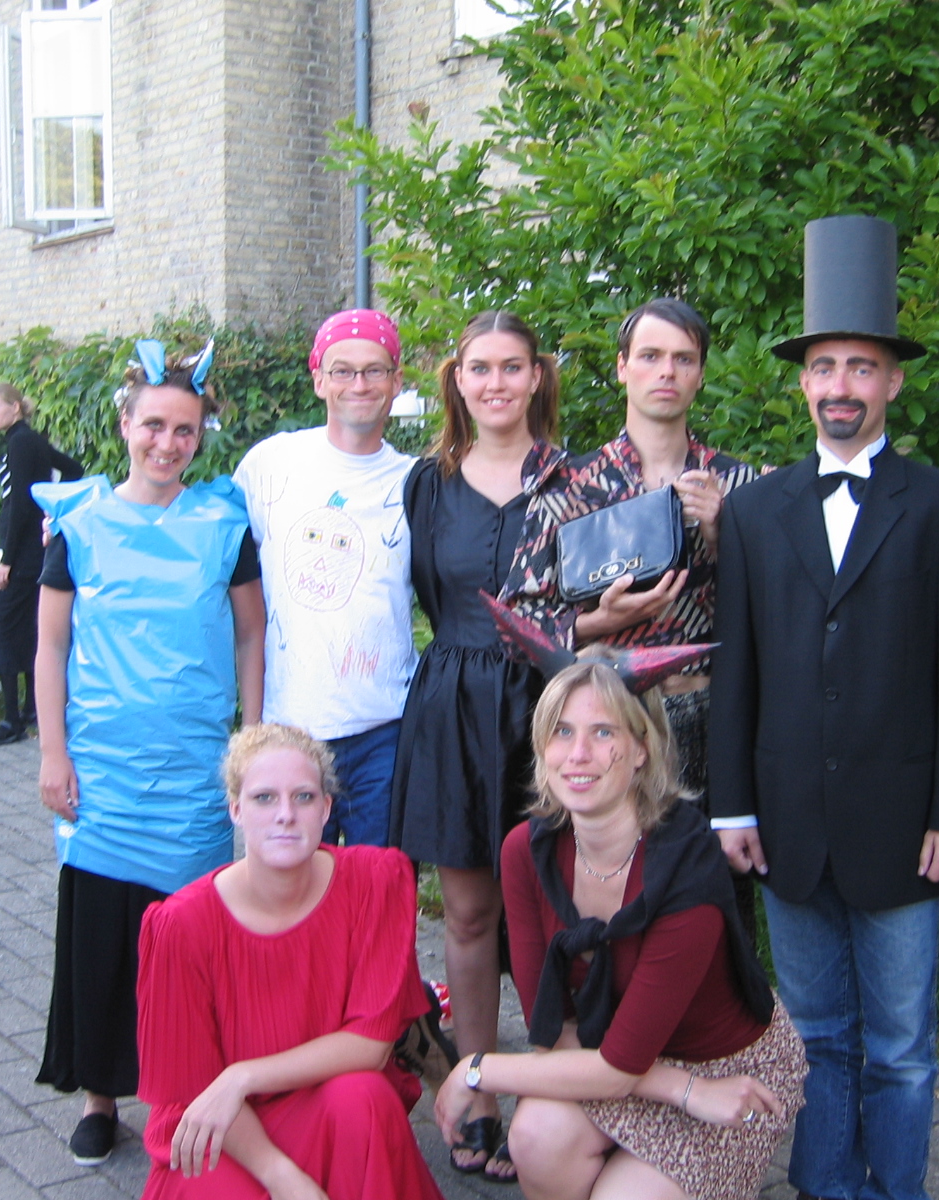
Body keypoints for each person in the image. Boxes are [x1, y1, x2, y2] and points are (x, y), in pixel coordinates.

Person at [708, 215, 939, 1200]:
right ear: (802, 383)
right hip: (787, 821)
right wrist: (731, 804)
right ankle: (826, 1187)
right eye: (825, 366)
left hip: (905, 825)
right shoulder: (755, 512)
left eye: (862, 368)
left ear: (893, 383)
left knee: (902, 1046)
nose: (841, 385)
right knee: (815, 1035)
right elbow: (738, 669)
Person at [434, 638, 807, 1200]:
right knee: (534, 1136)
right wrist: (677, 1087)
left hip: (722, 1075)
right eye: (562, 731)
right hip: (625, 1063)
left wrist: (476, 1069)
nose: (578, 753)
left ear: (642, 749)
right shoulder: (525, 852)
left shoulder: (686, 868)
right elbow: (551, 1030)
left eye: (603, 732)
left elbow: (617, 1068)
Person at [32, 340, 266, 1166]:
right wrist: (52, 752)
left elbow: (251, 634)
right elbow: (50, 644)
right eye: (154, 426)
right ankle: (100, 1094)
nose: (168, 444)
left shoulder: (223, 525)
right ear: (125, 425)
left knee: (187, 941)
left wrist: (253, 743)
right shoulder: (79, 524)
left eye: (185, 431)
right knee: (101, 940)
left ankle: (186, 1089)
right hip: (103, 774)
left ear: (201, 438)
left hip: (195, 773)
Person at [502, 297, 758, 933]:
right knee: (611, 900)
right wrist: (597, 622)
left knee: (714, 904)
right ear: (622, 368)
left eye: (683, 359)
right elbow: (514, 625)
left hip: (709, 715)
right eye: (650, 356)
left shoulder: (742, 486)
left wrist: (724, 535)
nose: (666, 371)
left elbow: (780, 616)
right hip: (608, 721)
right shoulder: (569, 488)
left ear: (700, 373)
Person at [387, 311, 566, 1180]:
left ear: (537, 377)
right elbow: (422, 593)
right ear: (458, 381)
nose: (496, 383)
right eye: (479, 368)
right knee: (467, 912)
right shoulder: (427, 483)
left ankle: (553, 1098)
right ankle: (478, 1089)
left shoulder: (573, 479)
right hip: (456, 704)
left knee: (552, 912)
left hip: (549, 708)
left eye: (512, 367)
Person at [136, 723, 445, 1200]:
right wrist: (282, 1177)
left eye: (303, 797)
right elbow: (197, 1089)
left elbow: (370, 1045)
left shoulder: (374, 882)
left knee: (363, 1097)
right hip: (224, 1128)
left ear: (326, 809)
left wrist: (242, 1076)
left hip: (324, 1099)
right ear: (236, 809)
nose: (285, 815)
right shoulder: (181, 925)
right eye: (264, 798)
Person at [233, 309, 417, 847]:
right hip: (287, 730)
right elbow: (210, 543)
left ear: (396, 381)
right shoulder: (271, 463)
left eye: (374, 370)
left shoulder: (415, 482)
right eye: (342, 371)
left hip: (384, 731)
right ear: (318, 380)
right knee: (289, 884)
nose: (359, 385)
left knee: (378, 885)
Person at [0, 381, 83, 747]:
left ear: (15, 407)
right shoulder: (28, 440)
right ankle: (29, 710)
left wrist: (6, 560)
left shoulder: (21, 442)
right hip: (32, 553)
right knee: (26, 630)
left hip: (22, 556)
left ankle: (12, 720)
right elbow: (73, 469)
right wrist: (52, 508)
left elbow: (22, 505)